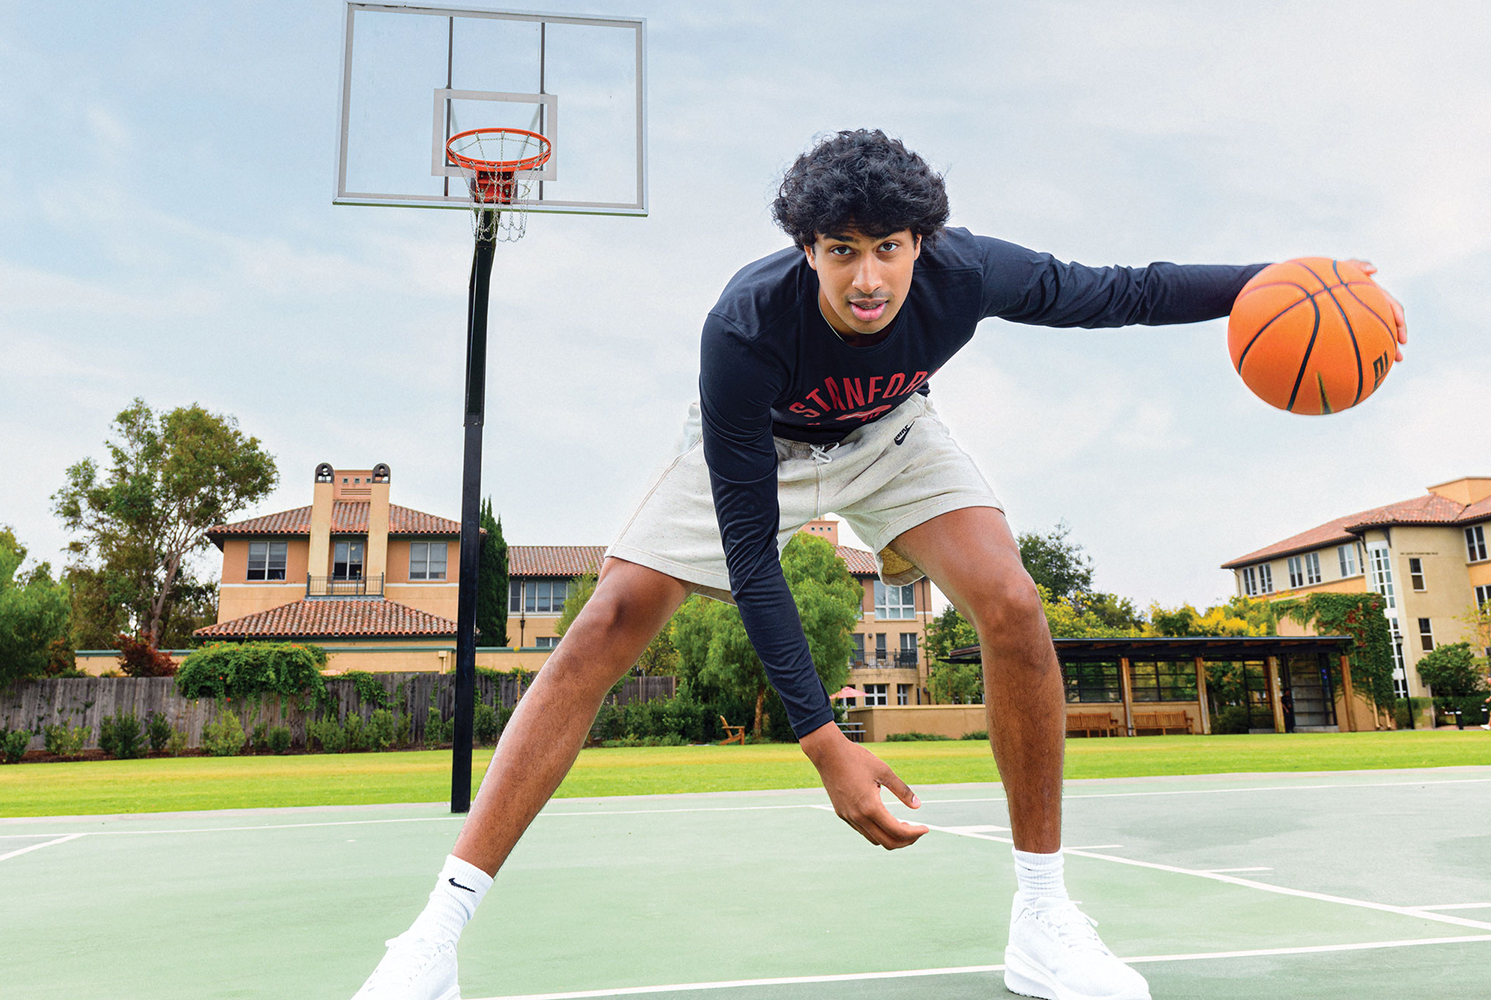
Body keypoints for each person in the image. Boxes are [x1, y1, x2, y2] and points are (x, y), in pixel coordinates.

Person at [352, 129, 1407, 1000]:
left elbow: (1120, 290)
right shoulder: (745, 327)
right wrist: (826, 743)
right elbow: (753, 559)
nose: (869, 277)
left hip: (895, 434)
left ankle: (1044, 920)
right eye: (842, 250)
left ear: (923, 242)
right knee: (608, 623)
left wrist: (1277, 282)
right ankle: (433, 938)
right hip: (759, 444)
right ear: (805, 248)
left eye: (890, 248)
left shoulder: (968, 273)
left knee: (1010, 598)